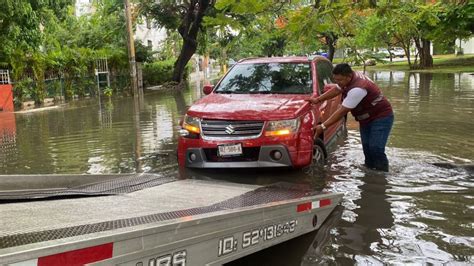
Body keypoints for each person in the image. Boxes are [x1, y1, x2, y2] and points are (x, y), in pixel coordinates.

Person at [307, 63, 394, 172]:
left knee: (376, 149)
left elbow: (342, 111)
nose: (338, 83)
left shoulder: (357, 89)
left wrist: (323, 126)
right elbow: (336, 90)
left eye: (340, 80)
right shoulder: (348, 79)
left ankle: (382, 177)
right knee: (367, 148)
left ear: (349, 76)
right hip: (365, 118)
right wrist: (318, 99)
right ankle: (370, 174)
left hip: (381, 117)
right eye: (335, 80)